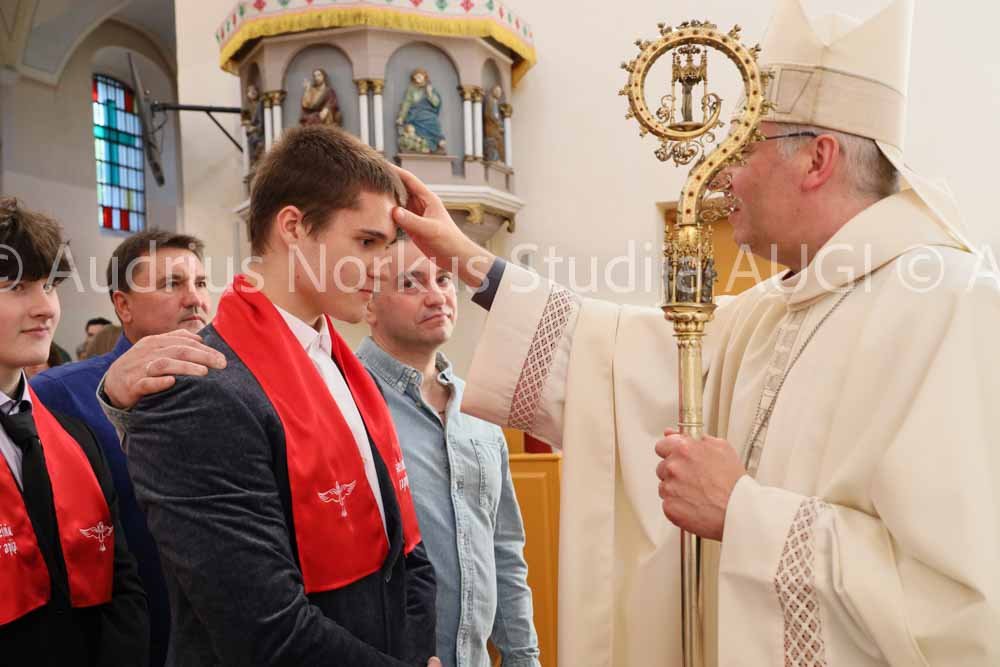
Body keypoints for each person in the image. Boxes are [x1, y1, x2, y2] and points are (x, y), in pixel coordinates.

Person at [383, 0, 1000, 664]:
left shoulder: (950, 305)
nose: (725, 171)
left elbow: (958, 606)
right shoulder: (776, 308)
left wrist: (742, 510)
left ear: (817, 160)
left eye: (745, 146)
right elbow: (617, 360)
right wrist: (464, 257)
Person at [99, 125, 440, 666]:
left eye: (387, 244)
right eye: (367, 242)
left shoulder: (347, 367)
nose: (384, 266)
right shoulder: (197, 390)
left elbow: (407, 556)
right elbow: (262, 626)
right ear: (294, 227)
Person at [31, 229, 211, 667]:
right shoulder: (60, 395)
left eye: (201, 283)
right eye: (171, 284)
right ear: (123, 305)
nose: (194, 299)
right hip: (132, 635)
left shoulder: (234, 385)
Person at [358, 239, 540, 667]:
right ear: (368, 304)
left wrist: (523, 657)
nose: (436, 296)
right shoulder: (347, 401)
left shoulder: (478, 410)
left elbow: (503, 549)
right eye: (410, 283)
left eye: (442, 279)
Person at [0, 197, 148, 665]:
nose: (45, 308)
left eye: (49, 286)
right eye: (17, 287)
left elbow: (124, 585)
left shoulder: (76, 436)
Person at [396, 69, 446, 154]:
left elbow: (436, 103)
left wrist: (430, 93)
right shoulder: (411, 89)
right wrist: (401, 117)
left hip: (428, 112)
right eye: (416, 77)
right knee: (423, 117)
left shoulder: (430, 88)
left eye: (419, 76)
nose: (417, 78)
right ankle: (428, 143)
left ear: (424, 77)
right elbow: (406, 103)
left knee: (434, 120)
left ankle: (437, 140)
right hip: (415, 113)